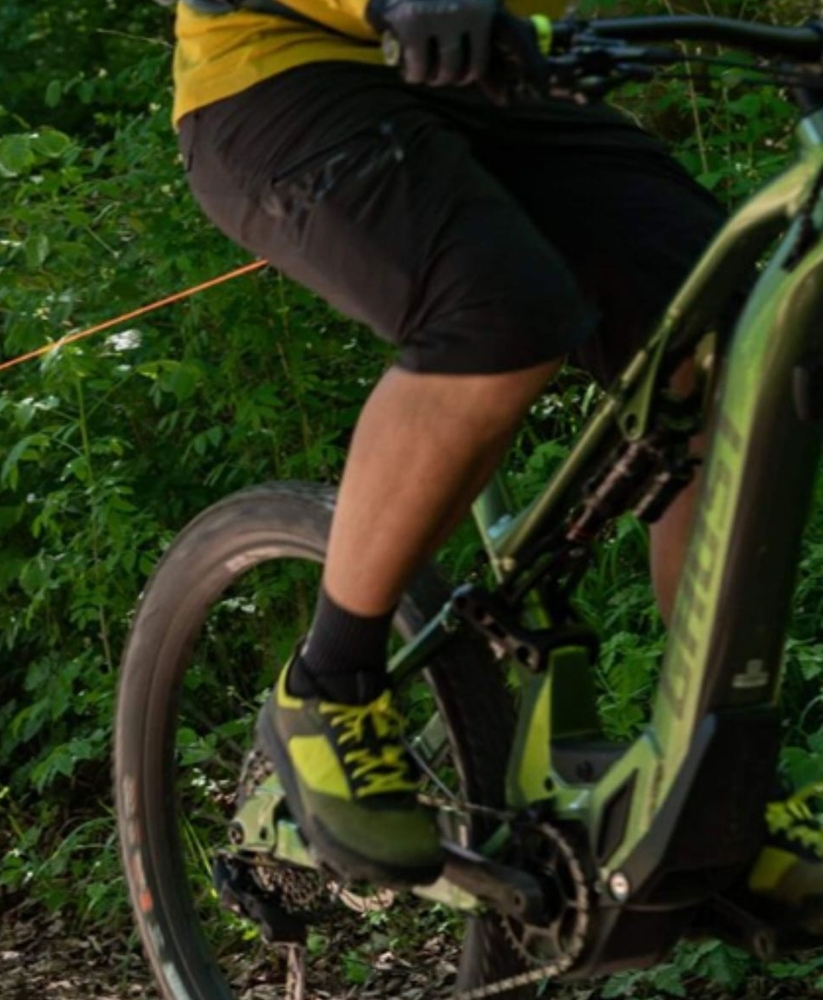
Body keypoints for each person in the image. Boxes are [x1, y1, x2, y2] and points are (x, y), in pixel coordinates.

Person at [169, 0, 823, 916]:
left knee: (728, 350)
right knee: (496, 314)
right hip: (288, 67)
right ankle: (330, 681)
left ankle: (721, 778)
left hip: (507, 71)